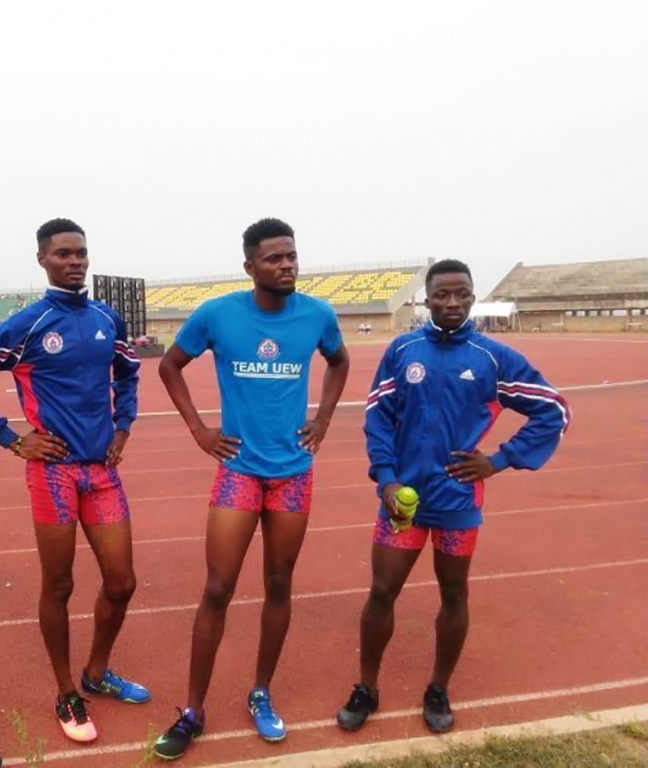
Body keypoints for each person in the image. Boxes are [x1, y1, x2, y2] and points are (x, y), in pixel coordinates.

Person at [336, 259, 570, 734]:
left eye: (461, 293)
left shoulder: (493, 357)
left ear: (471, 296)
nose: (451, 302)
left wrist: (500, 460)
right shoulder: (403, 350)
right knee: (382, 592)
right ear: (426, 299)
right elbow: (378, 416)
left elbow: (553, 409)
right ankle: (366, 688)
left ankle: (438, 688)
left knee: (454, 593)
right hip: (401, 501)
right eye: (441, 294)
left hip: (458, 503)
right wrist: (384, 479)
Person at [154, 218, 351, 760]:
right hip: (238, 471)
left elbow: (339, 361)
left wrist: (324, 419)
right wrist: (200, 430)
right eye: (274, 259)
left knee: (279, 583)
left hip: (292, 473)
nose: (286, 265)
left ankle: (260, 692)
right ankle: (192, 710)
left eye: (291, 256)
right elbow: (170, 366)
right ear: (250, 267)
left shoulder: (317, 314)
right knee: (217, 588)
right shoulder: (218, 314)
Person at [0, 218, 147, 743]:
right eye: (63, 253)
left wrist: (123, 425)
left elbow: (127, 372)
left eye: (81, 252)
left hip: (101, 473)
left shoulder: (108, 317)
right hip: (52, 474)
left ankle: (96, 673)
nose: (75, 261)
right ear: (42, 260)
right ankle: (66, 693)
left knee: (122, 582)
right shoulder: (26, 325)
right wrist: (11, 439)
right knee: (59, 584)